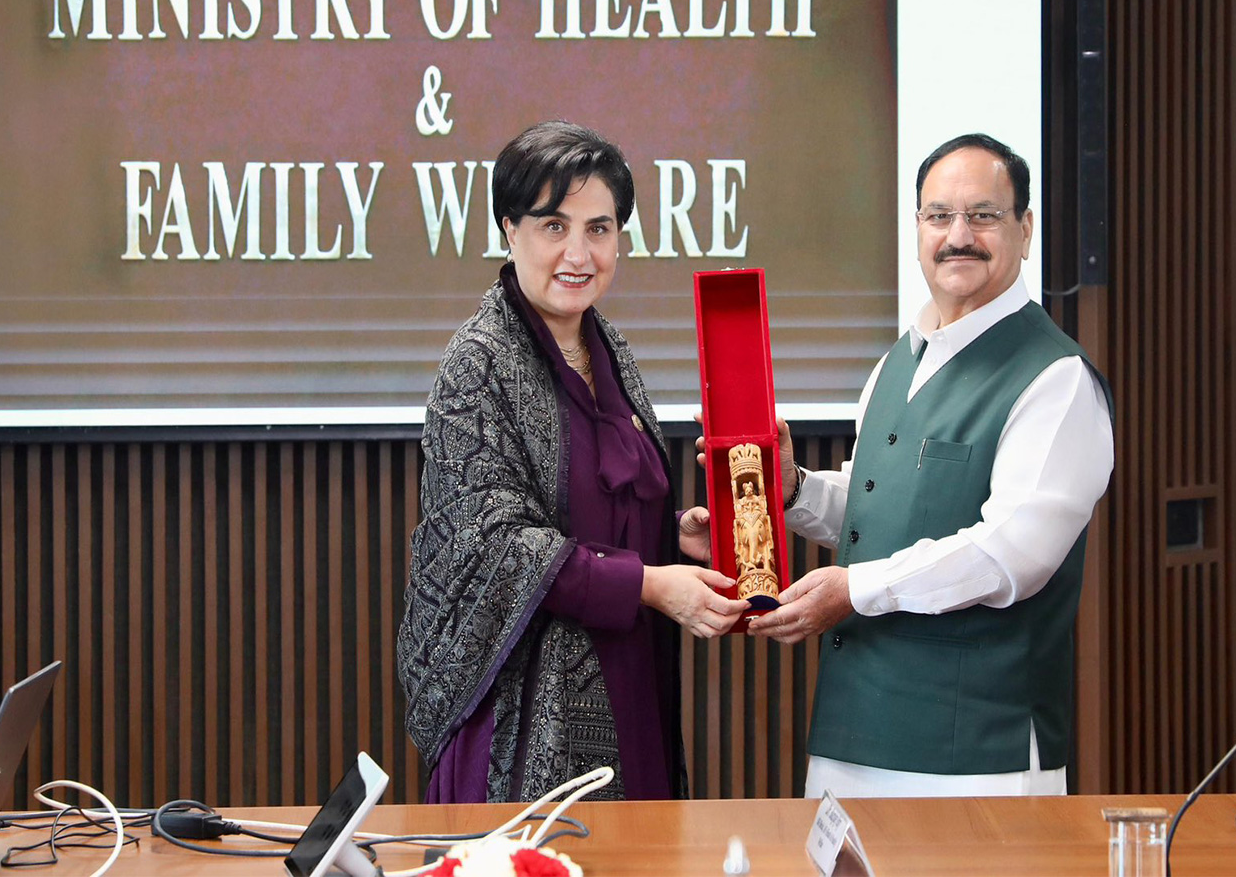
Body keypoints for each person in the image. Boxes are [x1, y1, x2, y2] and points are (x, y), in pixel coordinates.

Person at [726, 133, 1114, 798]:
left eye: (983, 216)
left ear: (1025, 229)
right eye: (939, 216)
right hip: (850, 733)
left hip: (976, 754)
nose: (958, 236)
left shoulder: (1057, 379)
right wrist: (791, 490)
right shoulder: (894, 364)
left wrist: (854, 590)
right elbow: (886, 509)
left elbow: (1009, 555)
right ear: (916, 230)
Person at [398, 121, 748, 803]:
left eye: (600, 228)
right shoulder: (477, 363)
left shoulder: (607, 347)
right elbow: (498, 545)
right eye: (554, 226)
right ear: (510, 230)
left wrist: (670, 533)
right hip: (525, 706)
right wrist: (650, 585)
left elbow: (590, 502)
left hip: (629, 676)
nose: (579, 253)